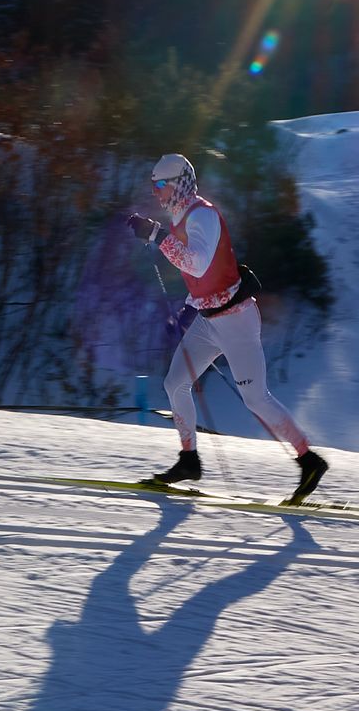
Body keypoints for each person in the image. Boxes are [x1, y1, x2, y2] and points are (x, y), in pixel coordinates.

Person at [126, 152, 329, 504]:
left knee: (255, 398)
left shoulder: (202, 215)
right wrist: (186, 313)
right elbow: (200, 279)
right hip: (207, 320)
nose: (156, 192)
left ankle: (309, 460)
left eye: (161, 185)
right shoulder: (179, 220)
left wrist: (157, 236)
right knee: (175, 383)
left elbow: (199, 263)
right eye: (153, 185)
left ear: (179, 185)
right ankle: (189, 460)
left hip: (236, 320)